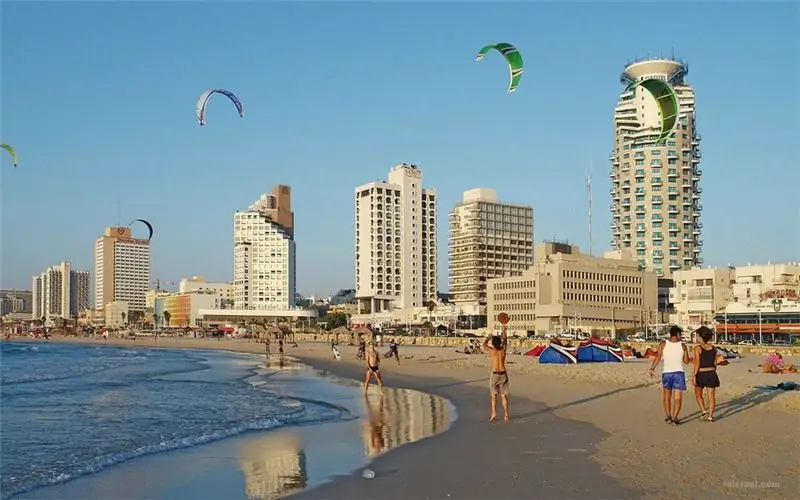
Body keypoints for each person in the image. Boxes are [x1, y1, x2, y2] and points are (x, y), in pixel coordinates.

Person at [649, 325, 690, 425]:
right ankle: (675, 418)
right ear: (678, 334)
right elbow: (686, 361)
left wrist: (652, 368)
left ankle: (668, 416)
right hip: (679, 373)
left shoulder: (663, 344)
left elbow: (658, 357)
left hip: (667, 373)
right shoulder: (683, 345)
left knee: (667, 396)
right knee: (677, 398)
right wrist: (685, 352)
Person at [692, 326, 720, 422]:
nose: (697, 338)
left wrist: (694, 375)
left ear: (701, 337)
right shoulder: (714, 348)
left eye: (698, 336)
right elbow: (715, 363)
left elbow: (697, 363)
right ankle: (710, 416)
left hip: (701, 373)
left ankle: (704, 410)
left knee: (698, 393)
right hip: (712, 373)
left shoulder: (697, 348)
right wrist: (712, 371)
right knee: (711, 397)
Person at [483, 329, 510, 422]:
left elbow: (484, 345)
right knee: (503, 396)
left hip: (495, 374)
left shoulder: (492, 351)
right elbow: (506, 342)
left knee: (494, 396)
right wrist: (504, 333)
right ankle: (506, 415)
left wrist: (489, 337)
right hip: (503, 373)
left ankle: (494, 414)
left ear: (493, 344)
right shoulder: (503, 350)